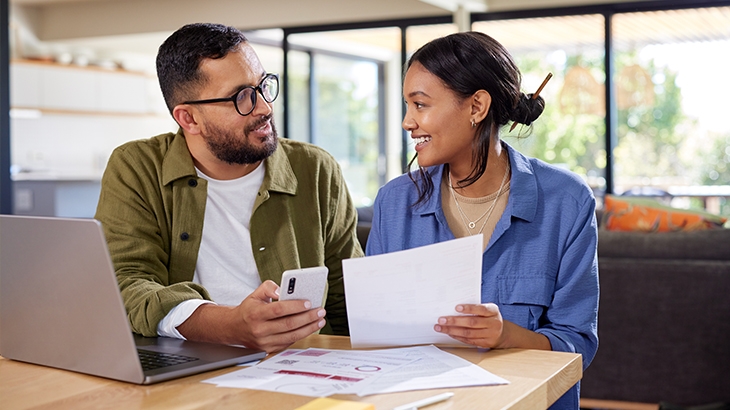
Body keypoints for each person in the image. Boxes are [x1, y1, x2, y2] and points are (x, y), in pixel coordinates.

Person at [94, 23, 363, 353]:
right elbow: (127, 283)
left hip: (302, 362)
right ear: (188, 118)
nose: (264, 107)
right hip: (187, 365)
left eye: (263, 86)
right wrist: (230, 326)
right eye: (242, 97)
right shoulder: (137, 166)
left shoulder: (315, 169)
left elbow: (348, 294)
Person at [365, 32, 598, 409]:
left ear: (476, 106)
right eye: (407, 106)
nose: (408, 122)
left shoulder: (566, 201)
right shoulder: (395, 202)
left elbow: (577, 345)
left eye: (420, 105)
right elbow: (375, 335)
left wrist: (506, 335)